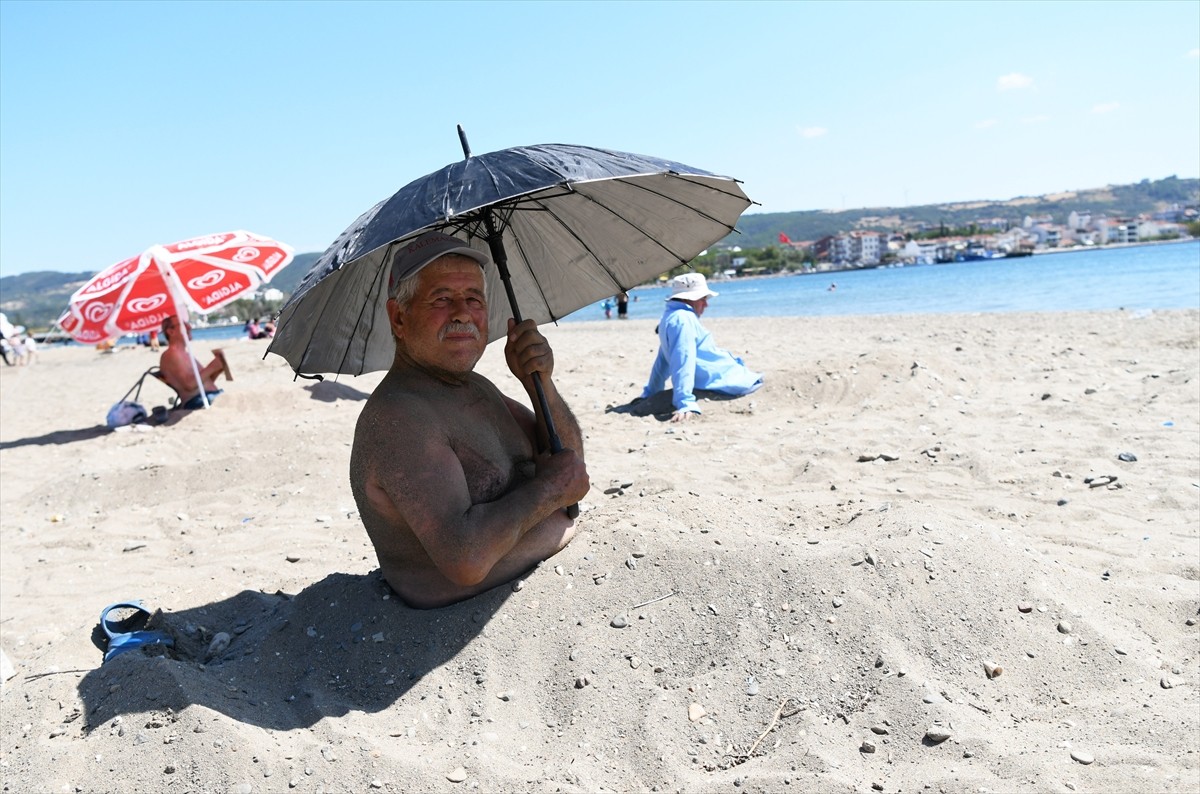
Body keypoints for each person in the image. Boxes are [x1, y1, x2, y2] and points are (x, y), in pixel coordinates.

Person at [350, 231, 589, 609]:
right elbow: (466, 560)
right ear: (399, 317)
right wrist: (550, 490)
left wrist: (540, 383)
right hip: (456, 614)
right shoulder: (399, 416)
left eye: (474, 299)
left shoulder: (475, 387)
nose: (463, 313)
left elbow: (569, 461)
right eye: (442, 298)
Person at [638, 272, 763, 422]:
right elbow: (683, 360)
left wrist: (651, 392)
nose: (706, 304)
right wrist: (685, 402)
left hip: (719, 373)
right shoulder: (684, 320)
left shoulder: (669, 316)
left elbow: (664, 359)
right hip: (725, 379)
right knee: (754, 381)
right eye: (703, 298)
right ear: (689, 298)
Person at [157, 315, 232, 409]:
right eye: (184, 325)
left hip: (205, 396)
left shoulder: (183, 354)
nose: (189, 327)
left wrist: (217, 369)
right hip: (197, 400)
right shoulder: (171, 354)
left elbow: (202, 383)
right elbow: (189, 385)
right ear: (171, 331)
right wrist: (212, 367)